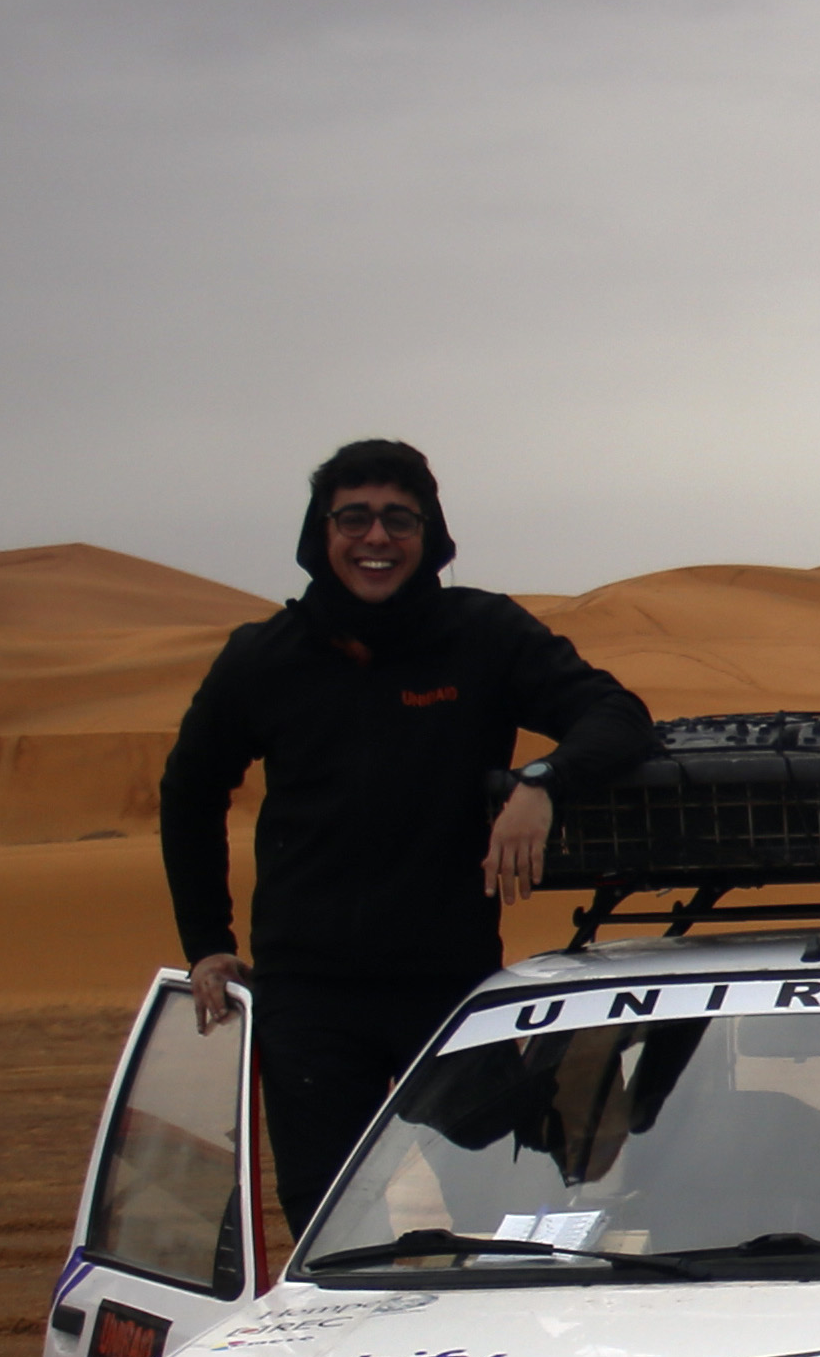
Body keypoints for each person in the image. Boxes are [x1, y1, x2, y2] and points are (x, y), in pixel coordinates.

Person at [162, 439, 658, 1215]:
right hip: (310, 999)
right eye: (353, 518)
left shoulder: (482, 636)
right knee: (326, 1223)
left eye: (400, 519)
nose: (376, 539)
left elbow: (618, 715)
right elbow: (189, 790)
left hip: (449, 988)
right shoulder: (265, 657)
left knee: (499, 1213)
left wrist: (543, 782)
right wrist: (206, 940)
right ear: (320, 535)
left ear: (430, 536)